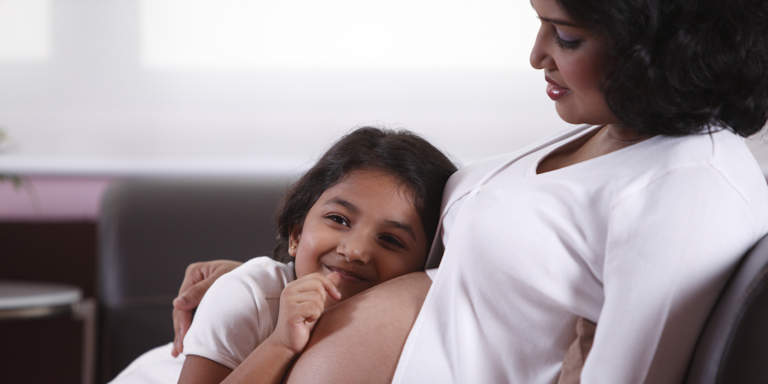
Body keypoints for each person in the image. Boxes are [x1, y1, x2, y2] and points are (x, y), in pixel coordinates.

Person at [171, 0, 768, 382]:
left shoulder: (690, 193)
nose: (536, 55)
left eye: (565, 36)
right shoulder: (615, 133)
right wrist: (265, 284)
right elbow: (483, 280)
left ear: (653, 48)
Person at [110, 127, 457, 383]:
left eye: (391, 240)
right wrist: (280, 344)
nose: (355, 250)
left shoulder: (420, 325)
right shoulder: (247, 295)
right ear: (296, 234)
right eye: (339, 220)